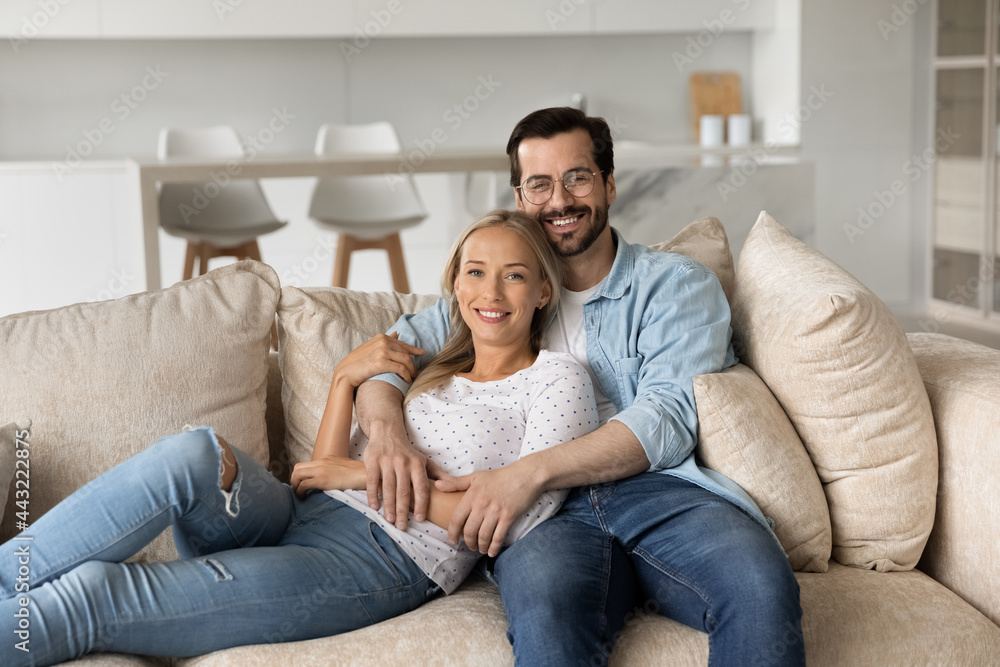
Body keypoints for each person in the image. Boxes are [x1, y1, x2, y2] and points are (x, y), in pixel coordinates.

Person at [0, 210, 598, 666]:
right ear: (457, 284)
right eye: (476, 272)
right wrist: (342, 380)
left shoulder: (558, 380)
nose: (490, 293)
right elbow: (318, 474)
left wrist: (362, 476)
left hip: (378, 562)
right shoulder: (436, 364)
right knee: (192, 454)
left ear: (543, 291)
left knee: (95, 592)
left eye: (513, 276)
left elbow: (518, 522)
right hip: (301, 513)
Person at [354, 107, 805, 665]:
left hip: (655, 491)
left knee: (760, 587)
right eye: (539, 184)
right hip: (546, 519)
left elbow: (664, 416)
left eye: (578, 178)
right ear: (521, 197)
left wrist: (528, 473)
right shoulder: (494, 296)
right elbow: (385, 363)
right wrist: (387, 437)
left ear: (609, 184)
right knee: (551, 621)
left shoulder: (674, 286)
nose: (560, 201)